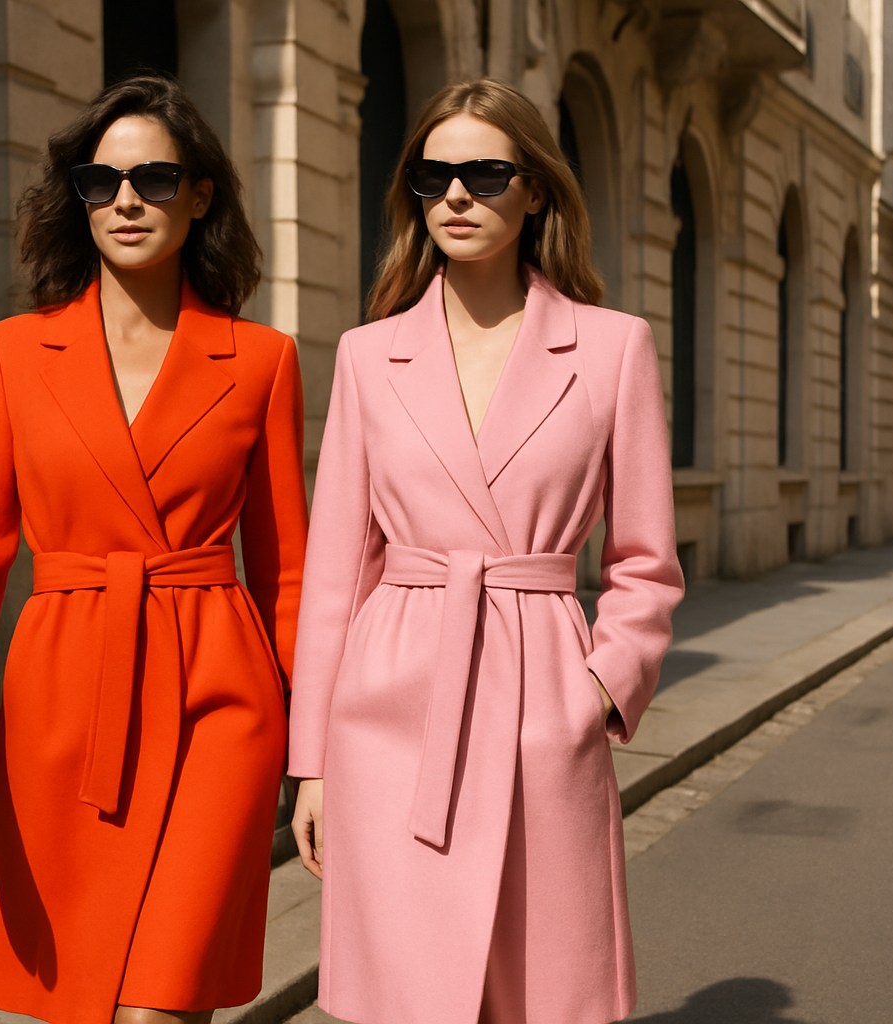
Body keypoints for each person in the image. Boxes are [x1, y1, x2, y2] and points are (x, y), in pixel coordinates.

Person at [0, 75, 309, 1024]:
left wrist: (313, 747)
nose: (125, 201)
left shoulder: (260, 361)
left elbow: (287, 569)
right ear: (76, 199)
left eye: (155, 179)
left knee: (162, 1003)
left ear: (200, 194)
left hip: (221, 700)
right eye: (100, 181)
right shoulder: (10, 355)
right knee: (86, 998)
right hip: (66, 700)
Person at [288, 78, 685, 1024]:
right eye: (434, 176)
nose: (457, 195)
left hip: (539, 693)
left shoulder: (611, 349)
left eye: (485, 172)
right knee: (407, 994)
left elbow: (645, 562)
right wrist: (312, 760)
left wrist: (591, 691)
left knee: (541, 990)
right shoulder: (365, 354)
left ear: (536, 189)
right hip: (390, 710)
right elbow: (338, 571)